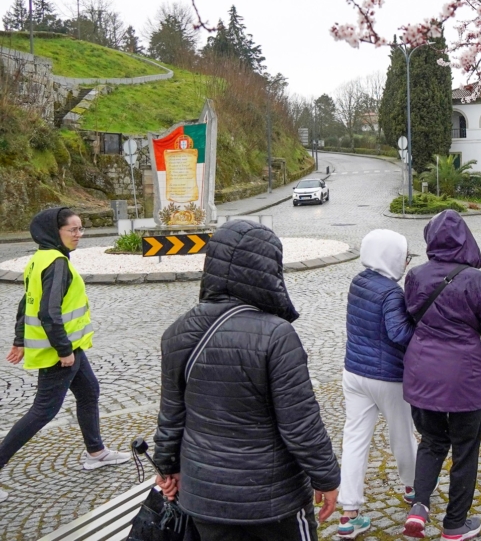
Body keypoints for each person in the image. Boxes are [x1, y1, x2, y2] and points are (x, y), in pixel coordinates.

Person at [153, 221, 340, 540]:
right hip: (272, 500)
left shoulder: (177, 332)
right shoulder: (277, 335)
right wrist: (326, 477)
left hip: (205, 498)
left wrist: (165, 467)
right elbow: (300, 423)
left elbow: (171, 416)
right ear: (268, 270)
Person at [0, 207, 130, 503]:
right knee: (43, 411)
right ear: (54, 231)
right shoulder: (56, 262)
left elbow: (25, 302)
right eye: (73, 230)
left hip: (69, 347)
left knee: (89, 391)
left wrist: (20, 339)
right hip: (60, 351)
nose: (79, 235)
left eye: (81, 229)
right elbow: (47, 312)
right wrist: (64, 350)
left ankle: (96, 452)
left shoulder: (39, 258)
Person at [402, 210, 481, 541]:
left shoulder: (415, 276)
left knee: (432, 441)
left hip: (422, 373)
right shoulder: (478, 282)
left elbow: (411, 318)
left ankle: (419, 507)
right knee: (465, 448)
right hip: (464, 378)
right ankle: (454, 524)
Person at [337, 229, 418, 539]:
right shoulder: (391, 293)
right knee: (402, 435)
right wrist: (422, 334)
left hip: (354, 373)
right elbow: (399, 334)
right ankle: (413, 488)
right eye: (404, 257)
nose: (406, 263)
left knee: (354, 440)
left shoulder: (358, 282)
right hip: (387, 377)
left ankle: (348, 514)